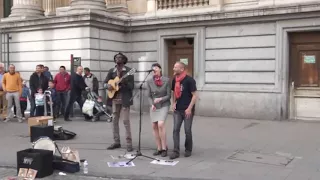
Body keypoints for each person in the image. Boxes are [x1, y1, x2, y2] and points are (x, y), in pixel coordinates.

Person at [105, 52, 134, 152]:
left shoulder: (129, 71)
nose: (118, 59)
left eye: (120, 57)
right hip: (114, 99)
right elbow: (105, 83)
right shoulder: (111, 71)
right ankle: (116, 142)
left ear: (124, 60)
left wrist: (124, 82)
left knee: (126, 121)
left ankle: (129, 144)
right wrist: (108, 86)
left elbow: (132, 86)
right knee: (114, 121)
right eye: (116, 57)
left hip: (125, 99)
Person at [170, 62, 198, 160]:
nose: (173, 68)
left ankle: (188, 149)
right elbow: (173, 92)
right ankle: (176, 151)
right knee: (175, 130)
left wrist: (189, 108)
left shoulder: (190, 80)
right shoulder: (175, 80)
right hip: (178, 109)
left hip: (187, 109)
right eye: (174, 67)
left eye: (175, 67)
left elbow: (195, 95)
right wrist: (173, 103)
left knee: (187, 131)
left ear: (182, 69)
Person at [146, 63, 171, 157]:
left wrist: (161, 99)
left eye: (156, 68)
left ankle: (164, 148)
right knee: (154, 125)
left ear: (160, 69)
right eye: (152, 68)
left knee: (160, 124)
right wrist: (151, 104)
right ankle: (159, 148)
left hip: (164, 104)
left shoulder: (167, 80)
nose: (154, 69)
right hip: (154, 106)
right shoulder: (149, 81)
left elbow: (169, 95)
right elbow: (148, 95)